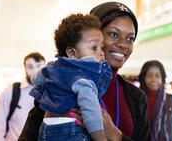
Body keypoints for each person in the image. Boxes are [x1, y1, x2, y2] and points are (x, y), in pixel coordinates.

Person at [19, 1, 152, 141]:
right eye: (113, 34)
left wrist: (115, 135)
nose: (123, 44)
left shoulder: (137, 97)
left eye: (130, 38)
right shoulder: (58, 83)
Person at [30, 13, 112, 141]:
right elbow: (91, 112)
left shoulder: (52, 67)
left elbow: (35, 78)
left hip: (45, 128)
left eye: (101, 48)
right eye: (94, 48)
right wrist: (101, 138)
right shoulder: (83, 78)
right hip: (69, 130)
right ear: (71, 52)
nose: (101, 52)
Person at [138, 60, 172, 141]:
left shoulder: (171, 100)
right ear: (144, 78)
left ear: (162, 79)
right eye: (150, 75)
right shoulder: (137, 99)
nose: (154, 79)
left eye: (157, 76)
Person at [0, 52, 45, 141]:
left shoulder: (48, 93)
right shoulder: (11, 91)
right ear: (24, 67)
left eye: (38, 67)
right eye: (30, 67)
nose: (34, 71)